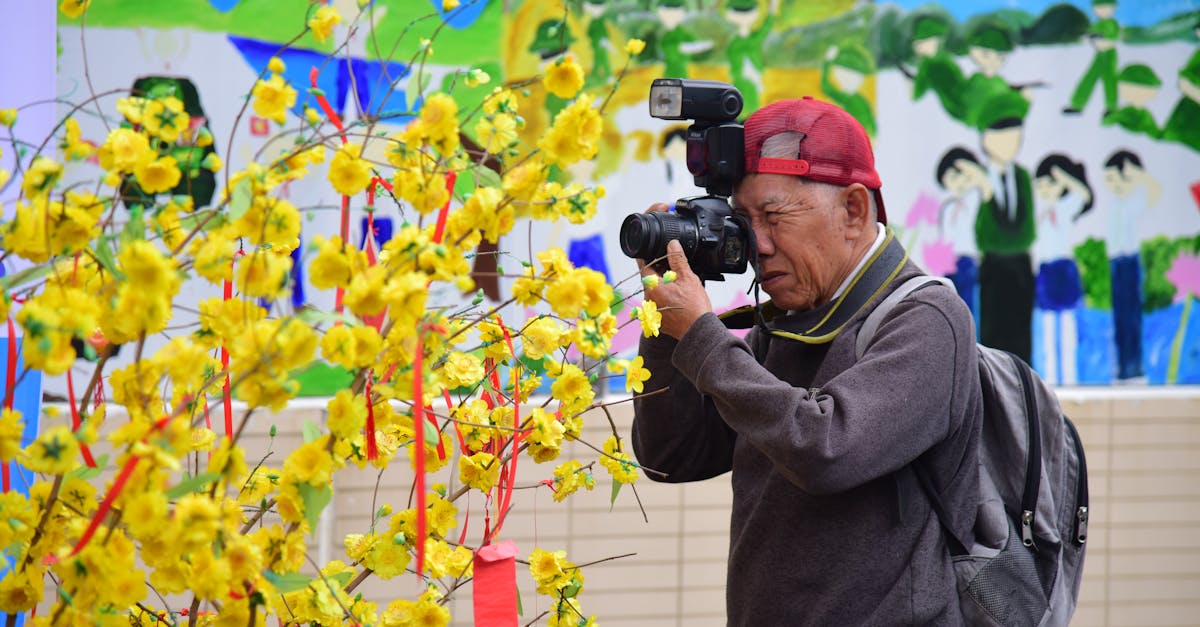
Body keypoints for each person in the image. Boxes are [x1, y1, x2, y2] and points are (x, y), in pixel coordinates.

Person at [630, 96, 983, 625]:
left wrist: (704, 338)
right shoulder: (789, 319)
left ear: (854, 211)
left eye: (774, 217)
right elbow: (671, 455)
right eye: (745, 223)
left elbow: (826, 448)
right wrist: (666, 321)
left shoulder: (927, 319)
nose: (759, 247)